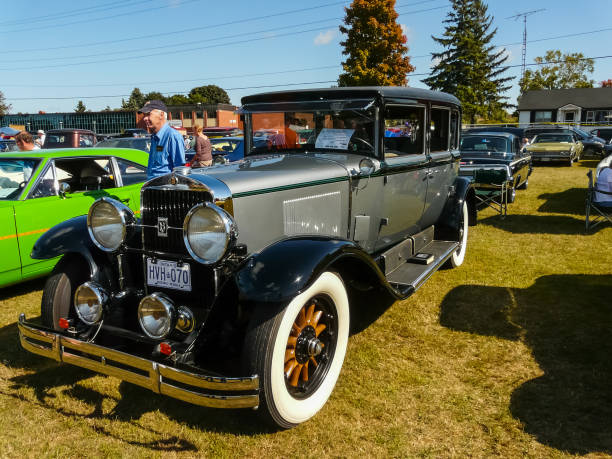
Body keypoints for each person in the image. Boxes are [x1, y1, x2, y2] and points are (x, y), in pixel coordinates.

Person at [139, 100, 185, 178]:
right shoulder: (154, 137)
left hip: (165, 188)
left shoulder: (172, 136)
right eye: (144, 115)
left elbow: (179, 170)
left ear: (161, 114)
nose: (144, 118)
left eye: (148, 114)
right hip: (152, 187)